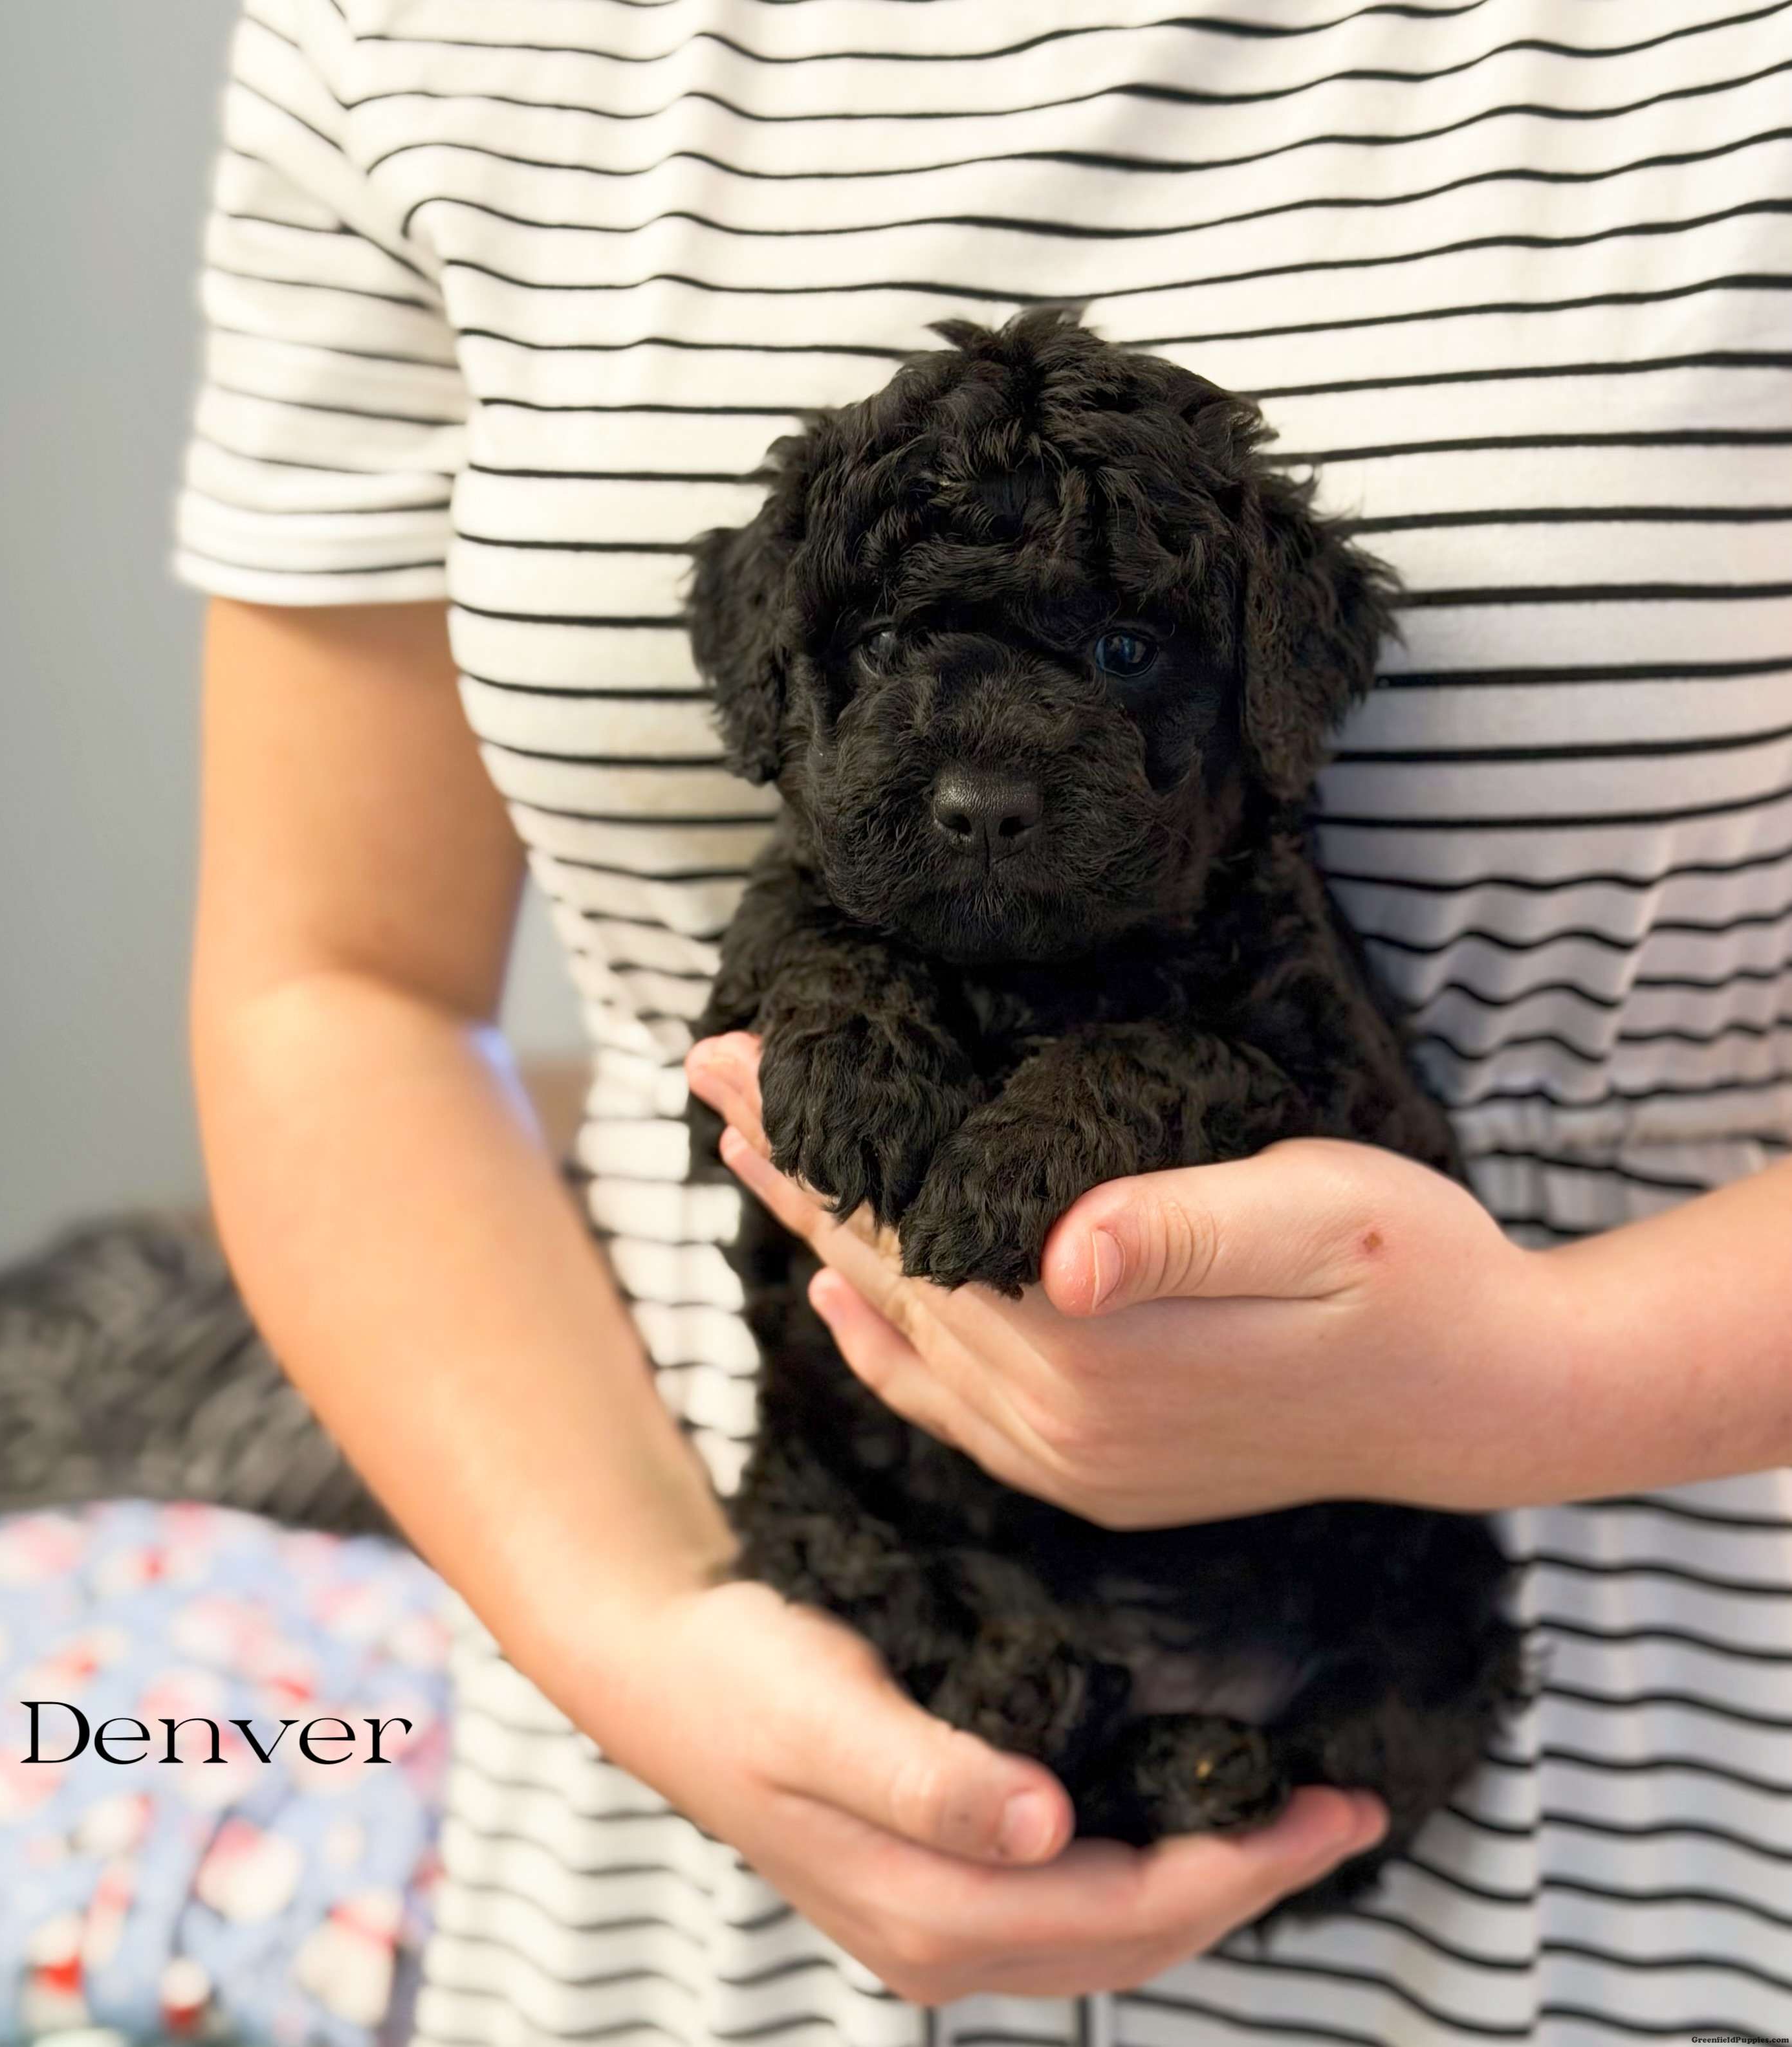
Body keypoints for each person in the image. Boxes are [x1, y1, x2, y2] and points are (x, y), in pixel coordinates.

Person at [178, 1, 1792, 2039]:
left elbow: (1279, 1062)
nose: (980, 772)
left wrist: (1539, 1384)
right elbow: (337, 987)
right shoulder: (397, 40)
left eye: (1117, 656)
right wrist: (644, 1636)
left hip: (1622, 1779)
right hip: (725, 1753)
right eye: (895, 651)